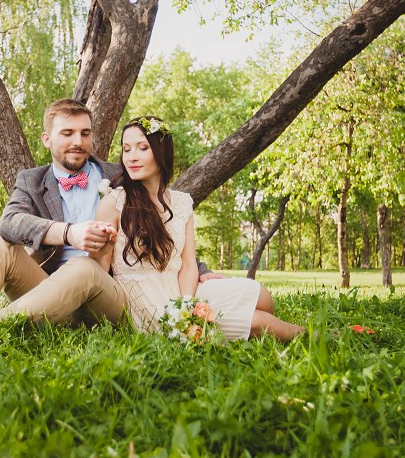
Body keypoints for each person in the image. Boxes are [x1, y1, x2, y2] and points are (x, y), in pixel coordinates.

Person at [0, 99, 280, 346]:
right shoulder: (31, 181)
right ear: (48, 139)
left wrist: (203, 273)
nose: (78, 141)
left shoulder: (120, 173)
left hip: (109, 294)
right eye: (67, 133)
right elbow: (11, 223)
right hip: (47, 290)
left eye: (84, 133)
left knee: (87, 267)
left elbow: (161, 227)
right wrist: (68, 233)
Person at [90, 116, 305, 341]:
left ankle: (252, 324)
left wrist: (187, 304)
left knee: (262, 295)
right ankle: (320, 336)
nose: (132, 157)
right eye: (126, 149)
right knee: (256, 321)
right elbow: (101, 270)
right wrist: (98, 248)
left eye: (142, 148)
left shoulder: (182, 203)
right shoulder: (114, 202)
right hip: (144, 299)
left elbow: (189, 264)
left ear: (161, 152)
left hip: (181, 290)